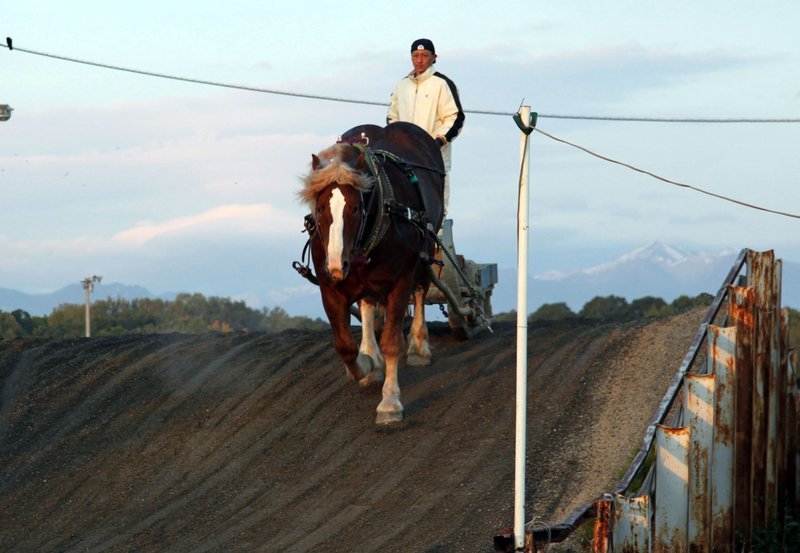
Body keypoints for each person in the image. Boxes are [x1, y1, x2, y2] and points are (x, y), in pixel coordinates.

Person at [387, 38, 464, 213]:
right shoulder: (401, 85)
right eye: (416, 55)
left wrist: (436, 142)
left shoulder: (442, 84)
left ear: (434, 57)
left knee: (433, 209)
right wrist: (399, 142)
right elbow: (392, 116)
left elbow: (455, 118)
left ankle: (435, 239)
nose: (419, 60)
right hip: (404, 159)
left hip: (433, 160)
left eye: (424, 55)